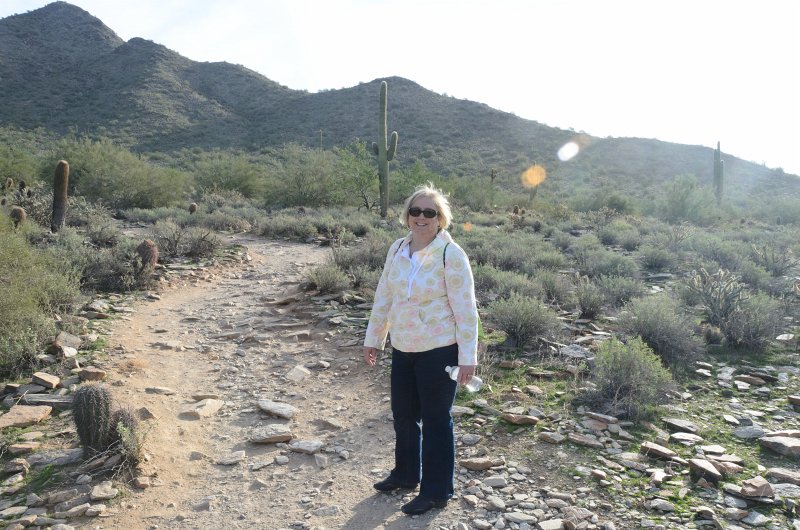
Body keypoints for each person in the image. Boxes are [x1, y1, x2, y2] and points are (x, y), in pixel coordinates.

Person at [363, 183, 479, 516]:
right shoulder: (398, 248)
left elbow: (466, 309)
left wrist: (467, 358)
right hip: (403, 347)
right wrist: (375, 338)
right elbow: (385, 295)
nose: (421, 217)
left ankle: (436, 491)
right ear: (407, 216)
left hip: (439, 350)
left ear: (441, 218)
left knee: (436, 420)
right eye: (416, 211)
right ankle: (405, 474)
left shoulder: (450, 254)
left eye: (430, 212)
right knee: (403, 415)